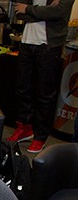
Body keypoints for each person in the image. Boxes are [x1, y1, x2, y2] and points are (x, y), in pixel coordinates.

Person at [6, 0, 75, 154]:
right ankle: (24, 127)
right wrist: (43, 11)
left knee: (45, 93)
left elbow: (58, 13)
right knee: (22, 88)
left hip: (49, 46)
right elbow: (19, 10)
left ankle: (40, 136)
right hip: (26, 42)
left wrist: (29, 9)